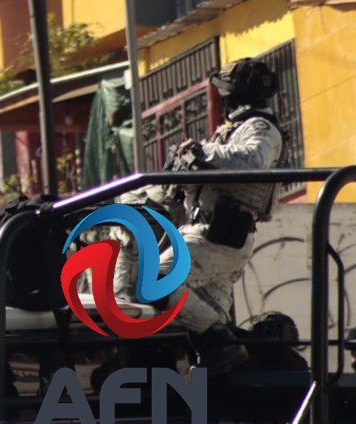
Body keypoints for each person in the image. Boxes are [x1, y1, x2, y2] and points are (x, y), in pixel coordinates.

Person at [116, 57, 285, 374]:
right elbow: (201, 182)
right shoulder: (232, 131)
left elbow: (253, 160)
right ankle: (229, 366)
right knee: (206, 316)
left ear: (236, 95)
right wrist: (183, 169)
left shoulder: (260, 128)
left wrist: (201, 152)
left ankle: (223, 342)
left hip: (219, 236)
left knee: (156, 283)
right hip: (210, 233)